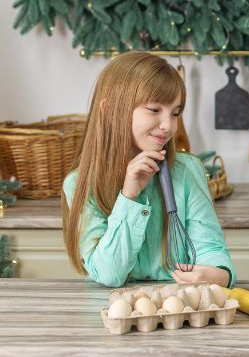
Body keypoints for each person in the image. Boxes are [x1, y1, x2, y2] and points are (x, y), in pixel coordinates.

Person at [62, 52, 236, 288]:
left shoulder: (187, 171)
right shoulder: (80, 184)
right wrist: (129, 196)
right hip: (113, 316)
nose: (168, 125)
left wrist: (219, 275)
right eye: (154, 110)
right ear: (110, 111)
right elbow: (108, 274)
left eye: (175, 113)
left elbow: (210, 250)